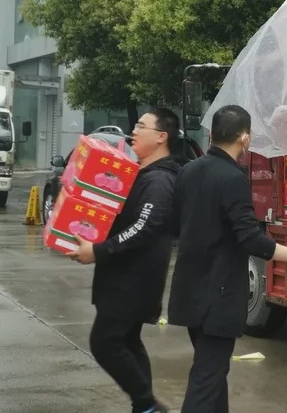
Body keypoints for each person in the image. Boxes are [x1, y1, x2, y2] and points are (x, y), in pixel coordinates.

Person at [168, 104, 287, 413]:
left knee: (212, 373)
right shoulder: (232, 178)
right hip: (218, 295)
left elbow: (176, 225)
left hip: (190, 291)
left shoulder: (188, 171)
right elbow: (250, 238)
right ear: (245, 138)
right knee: (207, 377)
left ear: (212, 134)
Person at [68, 108, 182, 413]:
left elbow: (144, 228)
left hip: (134, 280)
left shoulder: (160, 181)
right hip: (124, 277)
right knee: (128, 342)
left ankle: (148, 405)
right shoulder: (143, 173)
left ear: (161, 137)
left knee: (104, 342)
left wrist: (99, 251)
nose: (133, 131)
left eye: (141, 126)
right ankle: (143, 407)